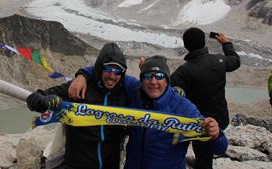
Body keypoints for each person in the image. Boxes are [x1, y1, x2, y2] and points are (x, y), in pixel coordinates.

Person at [70, 55, 228, 169]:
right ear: (142, 79)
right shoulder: (135, 92)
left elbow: (219, 148)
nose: (153, 82)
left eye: (159, 76)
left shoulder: (183, 108)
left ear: (167, 79)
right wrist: (82, 75)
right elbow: (111, 74)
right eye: (148, 76)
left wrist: (215, 135)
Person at [26, 42, 138, 169]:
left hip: (110, 165)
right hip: (76, 165)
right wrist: (47, 101)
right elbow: (33, 99)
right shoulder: (79, 88)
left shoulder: (125, 93)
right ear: (100, 67)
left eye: (118, 71)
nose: (112, 75)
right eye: (108, 68)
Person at [170, 27, 240, 169]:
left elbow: (170, 91)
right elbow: (235, 61)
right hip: (220, 118)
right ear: (204, 42)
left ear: (186, 46)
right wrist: (226, 44)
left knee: (202, 154)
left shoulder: (183, 71)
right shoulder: (219, 60)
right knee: (209, 148)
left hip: (199, 123)